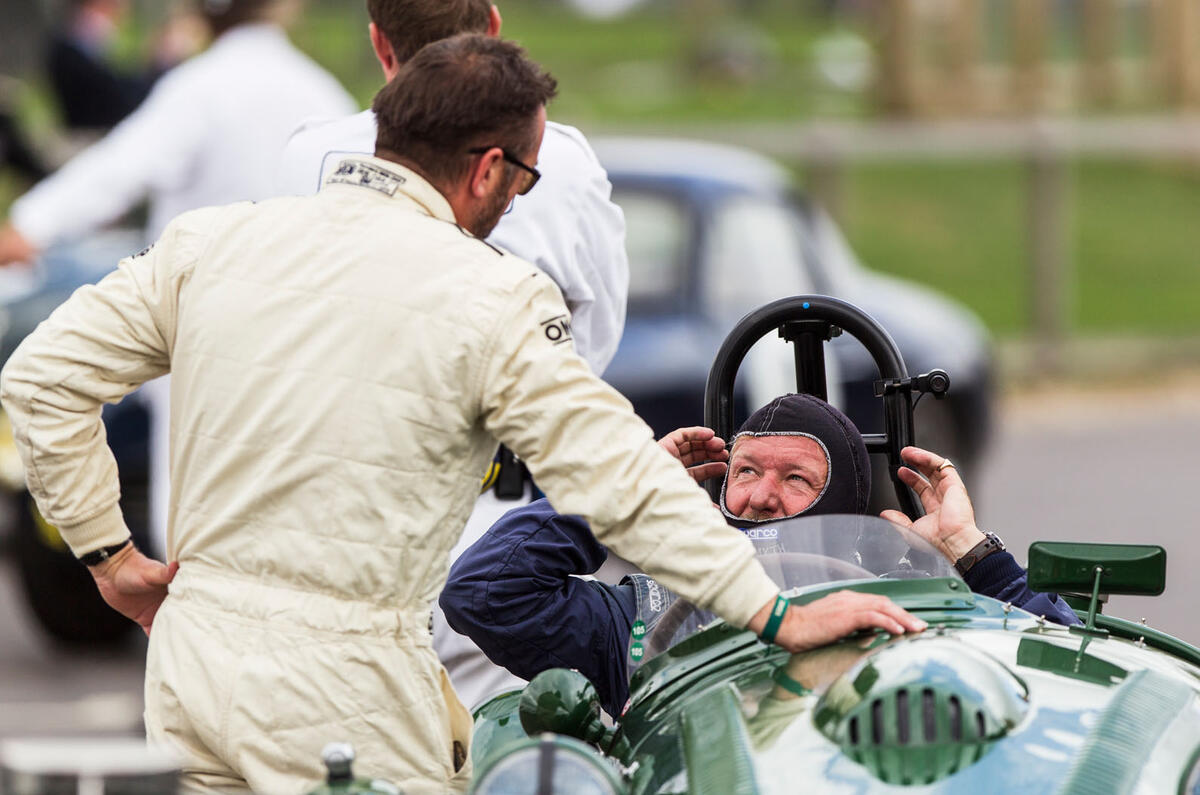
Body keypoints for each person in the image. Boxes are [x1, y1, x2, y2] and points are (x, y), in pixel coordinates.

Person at [0, 36, 923, 793]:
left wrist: (108, 555)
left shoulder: (213, 240)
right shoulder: (493, 298)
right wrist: (769, 611)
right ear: (489, 169)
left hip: (193, 666)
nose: (517, 198)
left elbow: (40, 377)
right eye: (524, 180)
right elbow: (616, 477)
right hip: (350, 688)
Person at [277, 0, 630, 709]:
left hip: (328, 536)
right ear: (493, 29)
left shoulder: (307, 156)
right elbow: (595, 346)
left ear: (381, 45)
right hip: (492, 543)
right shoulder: (559, 158)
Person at [440, 393, 1080, 717]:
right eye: (744, 472)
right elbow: (484, 593)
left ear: (847, 505)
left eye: (797, 480)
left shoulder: (913, 598)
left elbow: (1074, 668)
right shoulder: (641, 613)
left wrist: (971, 555)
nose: (762, 497)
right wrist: (622, 489)